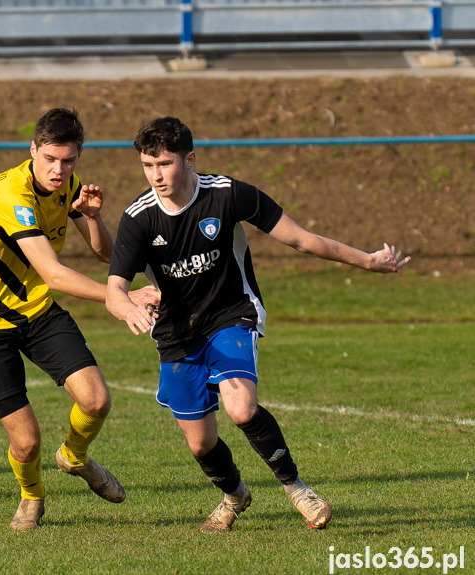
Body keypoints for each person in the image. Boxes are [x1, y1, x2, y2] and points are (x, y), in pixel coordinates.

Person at [106, 116, 410, 533]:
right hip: (177, 332)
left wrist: (368, 261)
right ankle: (234, 494)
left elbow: (300, 239)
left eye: (165, 164)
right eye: (147, 165)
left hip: (231, 313)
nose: (156, 175)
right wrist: (129, 310)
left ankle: (298, 489)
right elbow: (114, 289)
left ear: (190, 160)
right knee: (200, 442)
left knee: (241, 406)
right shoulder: (138, 218)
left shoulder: (227, 194)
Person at [0, 108, 159, 531]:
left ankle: (74, 457)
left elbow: (105, 254)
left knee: (97, 400)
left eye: (68, 161)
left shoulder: (71, 188)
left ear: (78, 157)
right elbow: (55, 274)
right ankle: (31, 498)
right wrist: (120, 296)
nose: (59, 170)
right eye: (50, 159)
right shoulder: (12, 193)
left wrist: (94, 217)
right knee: (26, 444)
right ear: (32, 151)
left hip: (37, 310)